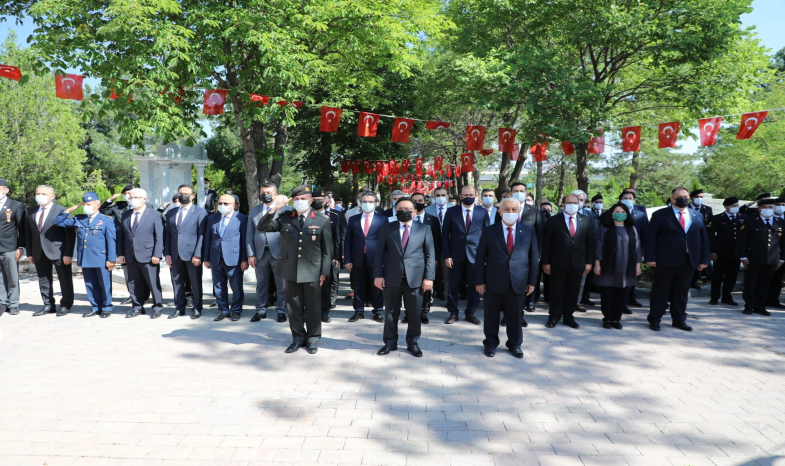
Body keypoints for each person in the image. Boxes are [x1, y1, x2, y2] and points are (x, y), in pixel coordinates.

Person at [256, 185, 332, 354]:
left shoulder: (321, 220)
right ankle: (297, 338)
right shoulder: (284, 218)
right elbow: (262, 227)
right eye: (296, 199)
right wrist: (274, 208)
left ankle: (312, 339)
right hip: (290, 269)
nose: (299, 202)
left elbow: (327, 250)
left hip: (313, 270)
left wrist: (324, 272)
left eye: (303, 199)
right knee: (294, 307)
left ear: (311, 200)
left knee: (312, 307)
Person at [475, 198, 538, 358]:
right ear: (500, 211)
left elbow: (534, 258)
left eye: (514, 210)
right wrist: (480, 281)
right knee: (491, 315)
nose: (511, 212)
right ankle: (490, 343)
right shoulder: (489, 231)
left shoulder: (528, 231)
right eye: (507, 209)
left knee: (516, 316)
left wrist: (531, 282)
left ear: (518, 212)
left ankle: (515, 344)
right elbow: (480, 257)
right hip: (493, 281)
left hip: (518, 282)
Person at [374, 197, 436, 357]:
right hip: (391, 277)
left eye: (408, 208)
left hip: (416, 279)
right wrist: (378, 275)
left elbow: (430, 255)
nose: (404, 211)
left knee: (414, 313)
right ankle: (389, 342)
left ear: (415, 211)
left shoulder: (424, 229)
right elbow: (379, 253)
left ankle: (413, 342)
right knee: (390, 313)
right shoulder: (387, 228)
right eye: (400, 208)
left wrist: (429, 277)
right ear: (395, 210)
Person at [644, 187, 710, 332]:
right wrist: (650, 258)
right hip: (665, 260)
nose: (685, 199)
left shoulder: (696, 215)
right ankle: (655, 319)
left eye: (686, 196)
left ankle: (679, 319)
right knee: (661, 290)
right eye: (681, 196)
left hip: (688, 260)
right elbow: (650, 238)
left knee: (681, 291)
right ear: (673, 198)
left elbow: (704, 238)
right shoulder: (660, 215)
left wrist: (704, 260)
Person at [53, 192, 116, 318]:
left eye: (89, 204)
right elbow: (57, 222)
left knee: (104, 283)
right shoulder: (79, 219)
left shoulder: (106, 220)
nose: (86, 206)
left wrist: (111, 259)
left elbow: (111, 241)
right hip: (86, 258)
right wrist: (71, 209)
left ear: (97, 205)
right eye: (85, 204)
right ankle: (95, 306)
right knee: (90, 284)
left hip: (101, 258)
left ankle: (106, 307)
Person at [541, 193, 594, 329]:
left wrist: (589, 262)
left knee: (573, 290)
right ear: (563, 204)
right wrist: (545, 262)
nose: (572, 205)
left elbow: (590, 243)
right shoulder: (553, 220)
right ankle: (554, 315)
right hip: (557, 263)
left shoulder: (586, 220)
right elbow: (546, 243)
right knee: (556, 290)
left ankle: (568, 316)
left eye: (575, 203)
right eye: (569, 203)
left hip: (578, 263)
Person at [442, 185, 489, 325]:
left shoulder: (482, 212)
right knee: (453, 285)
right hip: (455, 255)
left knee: (475, 285)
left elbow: (487, 235)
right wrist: (447, 255)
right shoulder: (451, 212)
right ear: (460, 196)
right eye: (465, 195)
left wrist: (485, 256)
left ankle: (470, 313)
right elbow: (445, 236)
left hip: (476, 255)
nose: (468, 197)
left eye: (471, 195)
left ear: (476, 195)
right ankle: (453, 313)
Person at [25, 185, 76, 317]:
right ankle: (48, 305)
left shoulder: (63, 211)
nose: (40, 196)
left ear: (52, 196)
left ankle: (65, 305)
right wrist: (30, 253)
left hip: (59, 252)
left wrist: (68, 254)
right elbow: (29, 234)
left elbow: (70, 235)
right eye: (38, 193)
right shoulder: (30, 211)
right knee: (43, 280)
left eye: (43, 193)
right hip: (38, 252)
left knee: (65, 280)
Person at [116, 188, 165, 319]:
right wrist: (120, 253)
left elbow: (159, 237)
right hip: (130, 255)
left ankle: (157, 307)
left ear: (145, 199)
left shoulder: (154, 214)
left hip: (149, 255)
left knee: (153, 282)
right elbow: (121, 236)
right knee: (133, 282)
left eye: (136, 197)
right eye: (131, 197)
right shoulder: (126, 215)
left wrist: (157, 254)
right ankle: (137, 307)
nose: (133, 199)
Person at [99, 184, 151, 305]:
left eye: (132, 193)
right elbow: (102, 211)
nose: (129, 195)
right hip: (125, 244)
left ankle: (145, 296)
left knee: (144, 272)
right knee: (129, 273)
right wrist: (109, 200)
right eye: (127, 193)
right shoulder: (119, 206)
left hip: (142, 245)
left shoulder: (147, 206)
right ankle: (132, 295)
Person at [593, 204, 641, 329]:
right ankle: (607, 318)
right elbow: (598, 247)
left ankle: (616, 319)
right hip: (607, 266)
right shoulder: (605, 228)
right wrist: (597, 264)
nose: (620, 213)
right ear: (612, 213)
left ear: (627, 214)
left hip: (626, 267)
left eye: (623, 211)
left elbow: (637, 248)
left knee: (621, 295)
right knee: (607, 294)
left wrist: (637, 266)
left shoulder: (631, 229)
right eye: (617, 211)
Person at [247, 183, 289, 323]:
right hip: (260, 253)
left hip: (280, 252)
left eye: (269, 192)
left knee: (281, 284)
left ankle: (282, 311)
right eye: (263, 192)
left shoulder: (286, 210)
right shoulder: (254, 210)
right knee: (261, 283)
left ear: (275, 194)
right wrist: (250, 254)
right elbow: (250, 233)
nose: (266, 194)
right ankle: (260, 310)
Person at [163, 184, 207, 319]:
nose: (184, 196)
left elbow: (202, 235)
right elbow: (168, 235)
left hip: (192, 254)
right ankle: (179, 307)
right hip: (175, 254)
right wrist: (167, 254)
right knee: (176, 282)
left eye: (187, 193)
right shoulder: (171, 212)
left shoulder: (200, 212)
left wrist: (198, 254)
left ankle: (197, 307)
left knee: (195, 282)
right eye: (181, 193)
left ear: (193, 196)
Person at [204, 194, 248, 321]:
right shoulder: (212, 218)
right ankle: (223, 310)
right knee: (218, 286)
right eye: (220, 203)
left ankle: (236, 310)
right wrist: (206, 258)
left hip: (234, 258)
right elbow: (208, 239)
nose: (222, 205)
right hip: (216, 257)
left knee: (236, 287)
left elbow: (245, 240)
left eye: (226, 203)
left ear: (233, 205)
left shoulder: (242, 218)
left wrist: (244, 259)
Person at [738, 197, 785, 316]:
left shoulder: (781, 222)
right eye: (764, 207)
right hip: (753, 258)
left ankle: (761, 306)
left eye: (770, 207)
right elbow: (742, 241)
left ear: (774, 208)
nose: (768, 209)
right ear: (759, 209)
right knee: (751, 284)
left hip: (772, 259)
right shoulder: (750, 221)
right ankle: (749, 306)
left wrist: (782, 258)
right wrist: (743, 257)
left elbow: (783, 243)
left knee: (765, 284)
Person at [344, 192, 387, 322]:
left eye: (370, 202)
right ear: (360, 203)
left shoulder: (383, 219)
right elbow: (348, 241)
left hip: (376, 259)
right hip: (357, 258)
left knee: (377, 286)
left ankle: (378, 310)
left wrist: (385, 260)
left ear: (376, 203)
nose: (367, 204)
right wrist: (347, 259)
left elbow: (387, 242)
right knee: (358, 286)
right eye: (364, 201)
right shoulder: (353, 219)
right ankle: (358, 311)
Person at [407, 192, 441, 324]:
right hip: (409, 260)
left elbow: (437, 241)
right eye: (414, 200)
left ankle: (424, 312)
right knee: (409, 288)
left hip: (427, 259)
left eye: (420, 200)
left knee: (426, 287)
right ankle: (408, 313)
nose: (418, 202)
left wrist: (435, 259)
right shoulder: (405, 218)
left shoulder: (432, 219)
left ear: (425, 202)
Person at [311, 189, 344, 323]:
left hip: (328, 256)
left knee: (326, 285)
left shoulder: (334, 215)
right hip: (310, 256)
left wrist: (337, 257)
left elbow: (338, 238)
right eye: (315, 199)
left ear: (326, 200)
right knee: (311, 286)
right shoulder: (306, 215)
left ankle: (325, 312)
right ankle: (311, 312)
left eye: (321, 199)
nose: (318, 202)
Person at [707, 197, 744, 306]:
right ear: (726, 206)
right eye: (733, 206)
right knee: (718, 276)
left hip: (736, 252)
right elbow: (711, 236)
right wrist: (712, 251)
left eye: (737, 205)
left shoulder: (742, 218)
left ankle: (727, 296)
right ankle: (714, 297)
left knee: (732, 276)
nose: (735, 208)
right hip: (721, 252)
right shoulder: (717, 218)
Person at [619, 189, 648, 309]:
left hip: (635, 251)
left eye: (630, 198)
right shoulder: (616, 213)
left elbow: (645, 235)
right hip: (619, 251)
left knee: (632, 277)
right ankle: (621, 303)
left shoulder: (640, 215)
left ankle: (630, 299)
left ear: (634, 201)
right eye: (625, 198)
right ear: (620, 200)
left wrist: (643, 253)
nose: (628, 200)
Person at [425, 187, 450, 300]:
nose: (441, 197)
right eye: (438, 195)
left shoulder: (453, 209)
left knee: (447, 273)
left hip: (448, 245)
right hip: (432, 243)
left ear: (447, 196)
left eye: (443, 195)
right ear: (434, 197)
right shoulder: (427, 210)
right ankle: (429, 296)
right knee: (431, 270)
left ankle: (447, 296)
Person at [689, 189, 714, 289]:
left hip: (701, 238)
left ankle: (694, 281)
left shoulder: (707, 209)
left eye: (701, 197)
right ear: (691, 198)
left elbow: (710, 225)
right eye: (697, 197)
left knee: (698, 260)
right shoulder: (686, 208)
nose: (699, 199)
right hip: (689, 238)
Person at [768, 198, 785, 308]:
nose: (781, 206)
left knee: (778, 280)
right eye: (778, 204)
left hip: (783, 254)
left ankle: (774, 300)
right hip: (772, 254)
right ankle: (763, 299)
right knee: (769, 278)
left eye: (783, 204)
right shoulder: (770, 219)